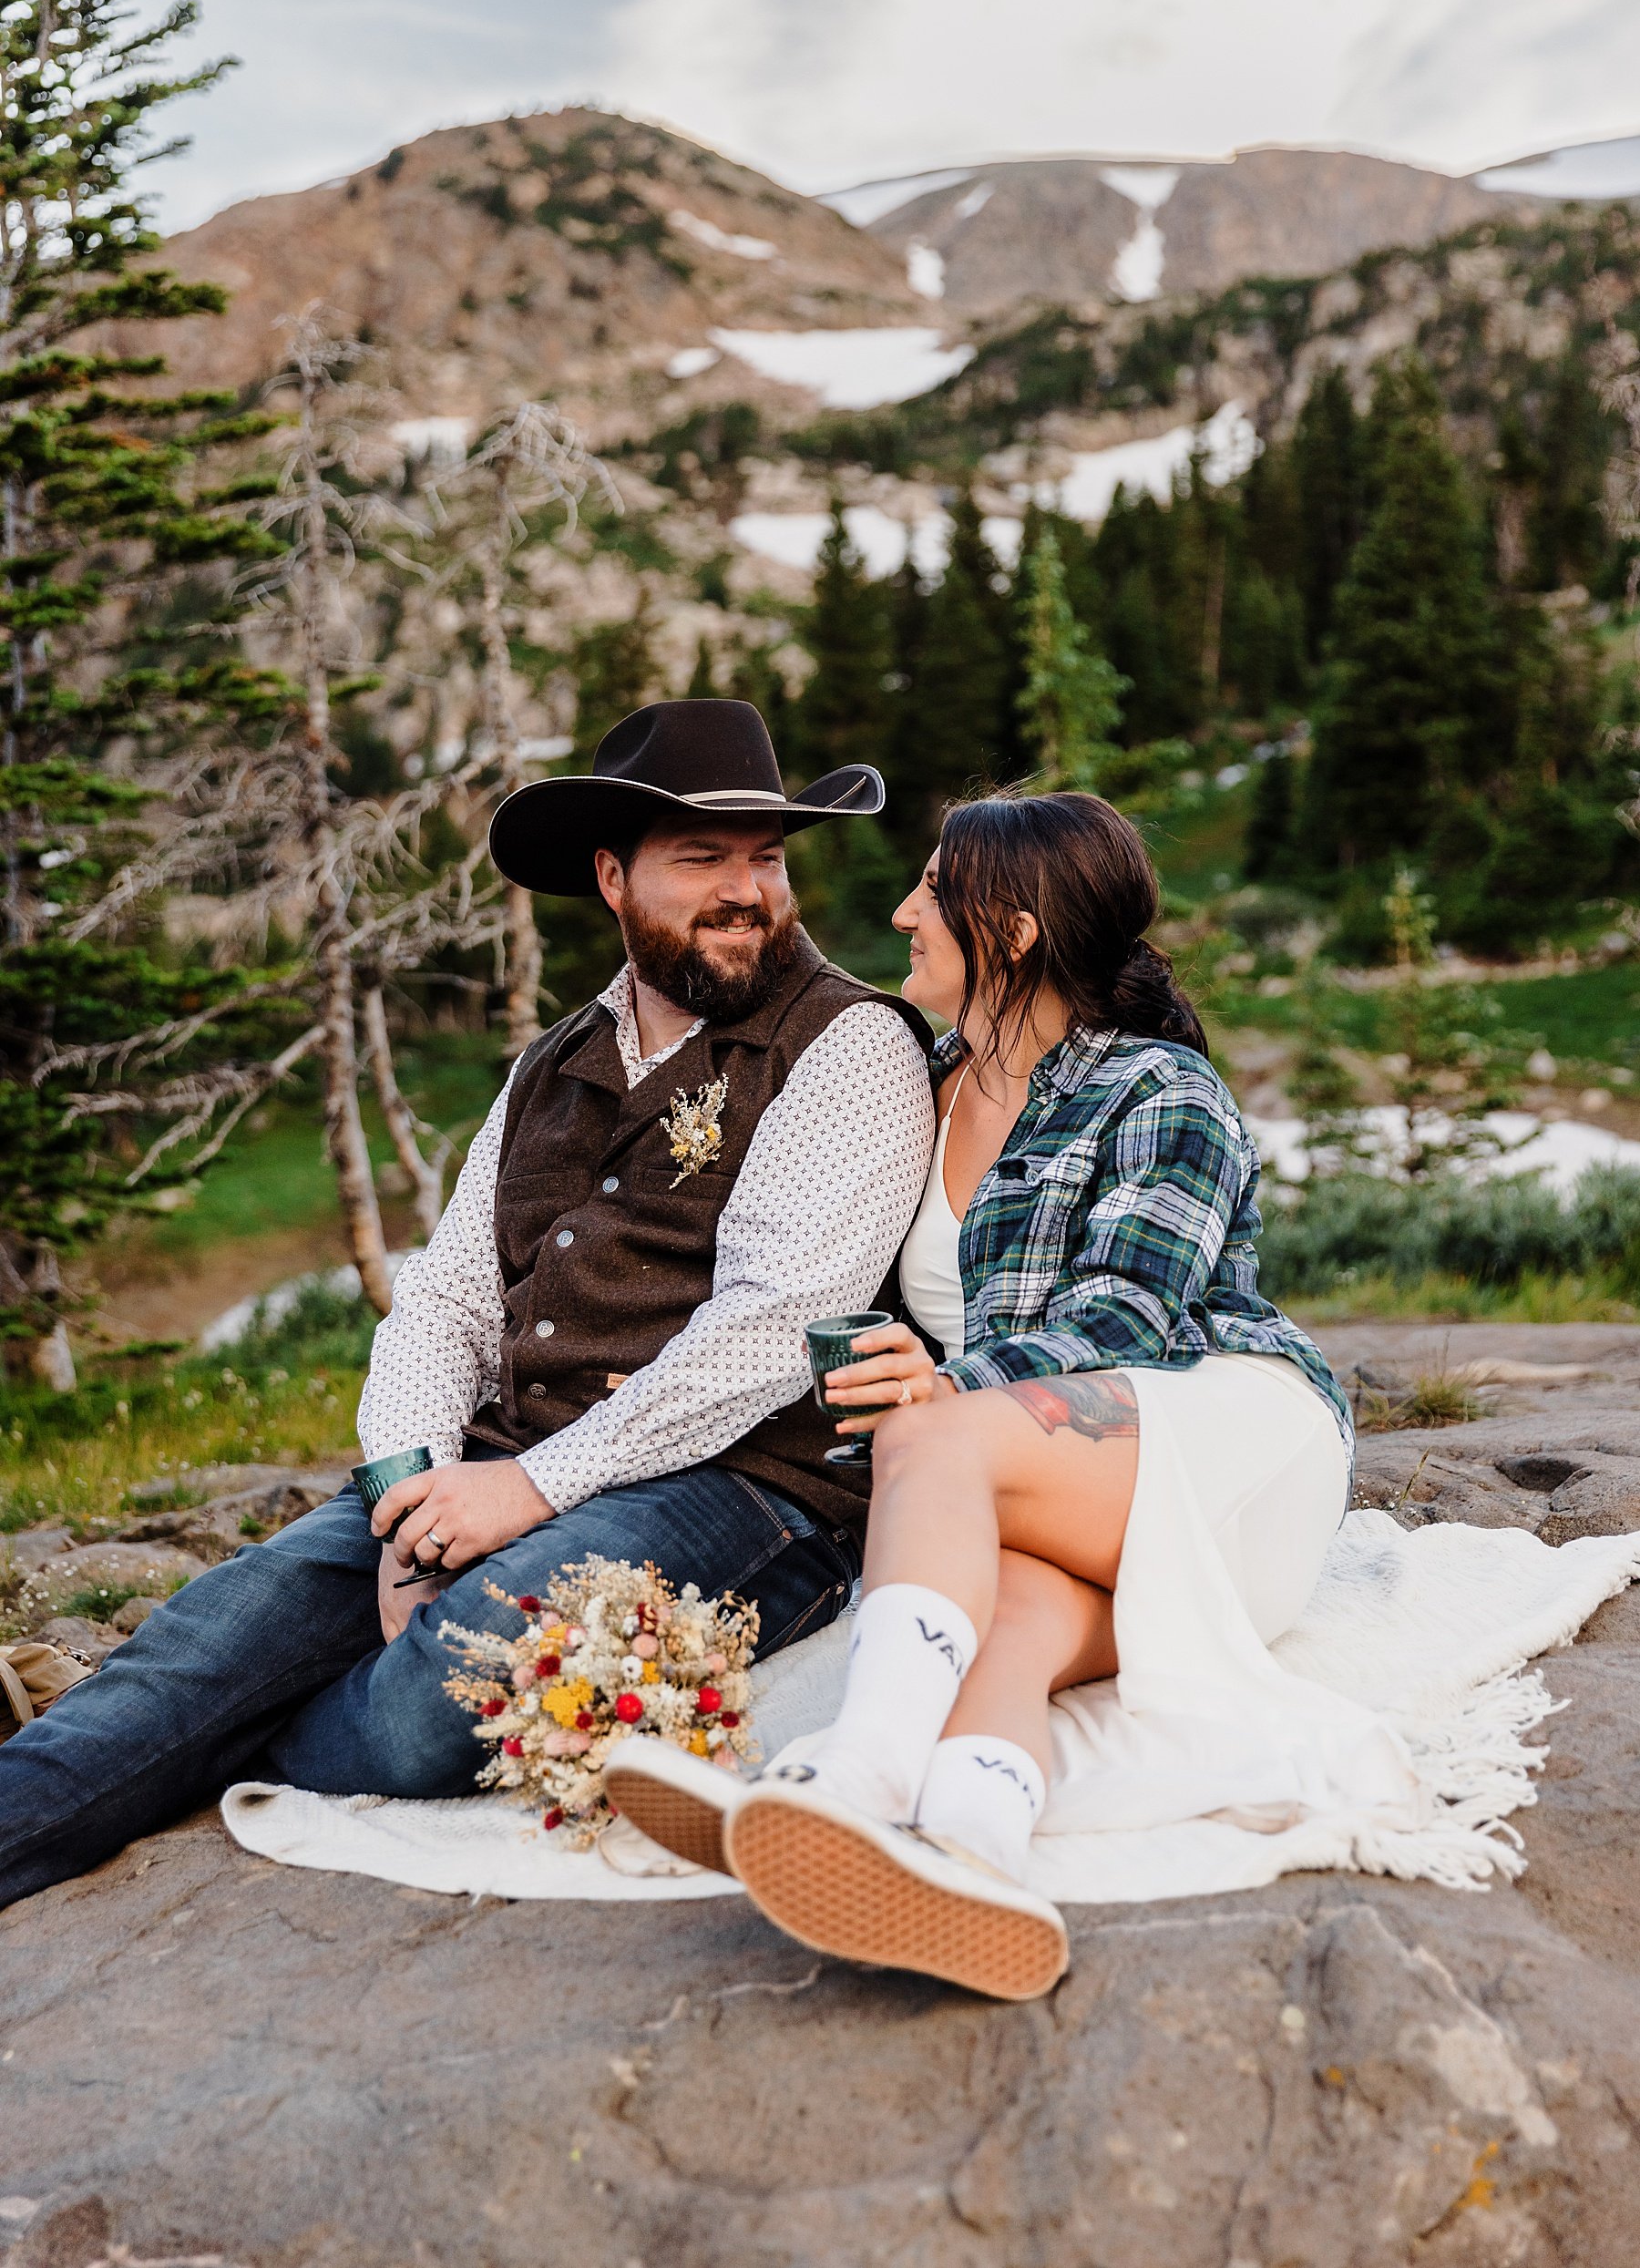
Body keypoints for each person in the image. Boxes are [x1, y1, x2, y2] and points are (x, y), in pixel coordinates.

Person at [0, 700, 935, 1909]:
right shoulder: (553, 1061)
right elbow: (443, 1294)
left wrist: (521, 1494)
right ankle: (127, 1751)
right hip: (500, 1461)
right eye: (703, 859)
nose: (746, 890)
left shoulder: (849, 1046)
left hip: (743, 1490)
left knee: (438, 1696)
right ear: (613, 877)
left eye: (765, 857)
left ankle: (195, 1748)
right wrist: (408, 1500)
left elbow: (762, 1335)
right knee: (206, 1639)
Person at [608, 789, 1353, 2001]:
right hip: (1048, 1492)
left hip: (1224, 1443)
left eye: (931, 890)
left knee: (940, 1442)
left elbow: (1127, 1321)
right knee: (1006, 1632)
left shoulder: (1160, 1092)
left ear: (1005, 931)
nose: (901, 912)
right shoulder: (916, 1085)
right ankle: (974, 1859)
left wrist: (945, 1391)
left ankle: (852, 1776)